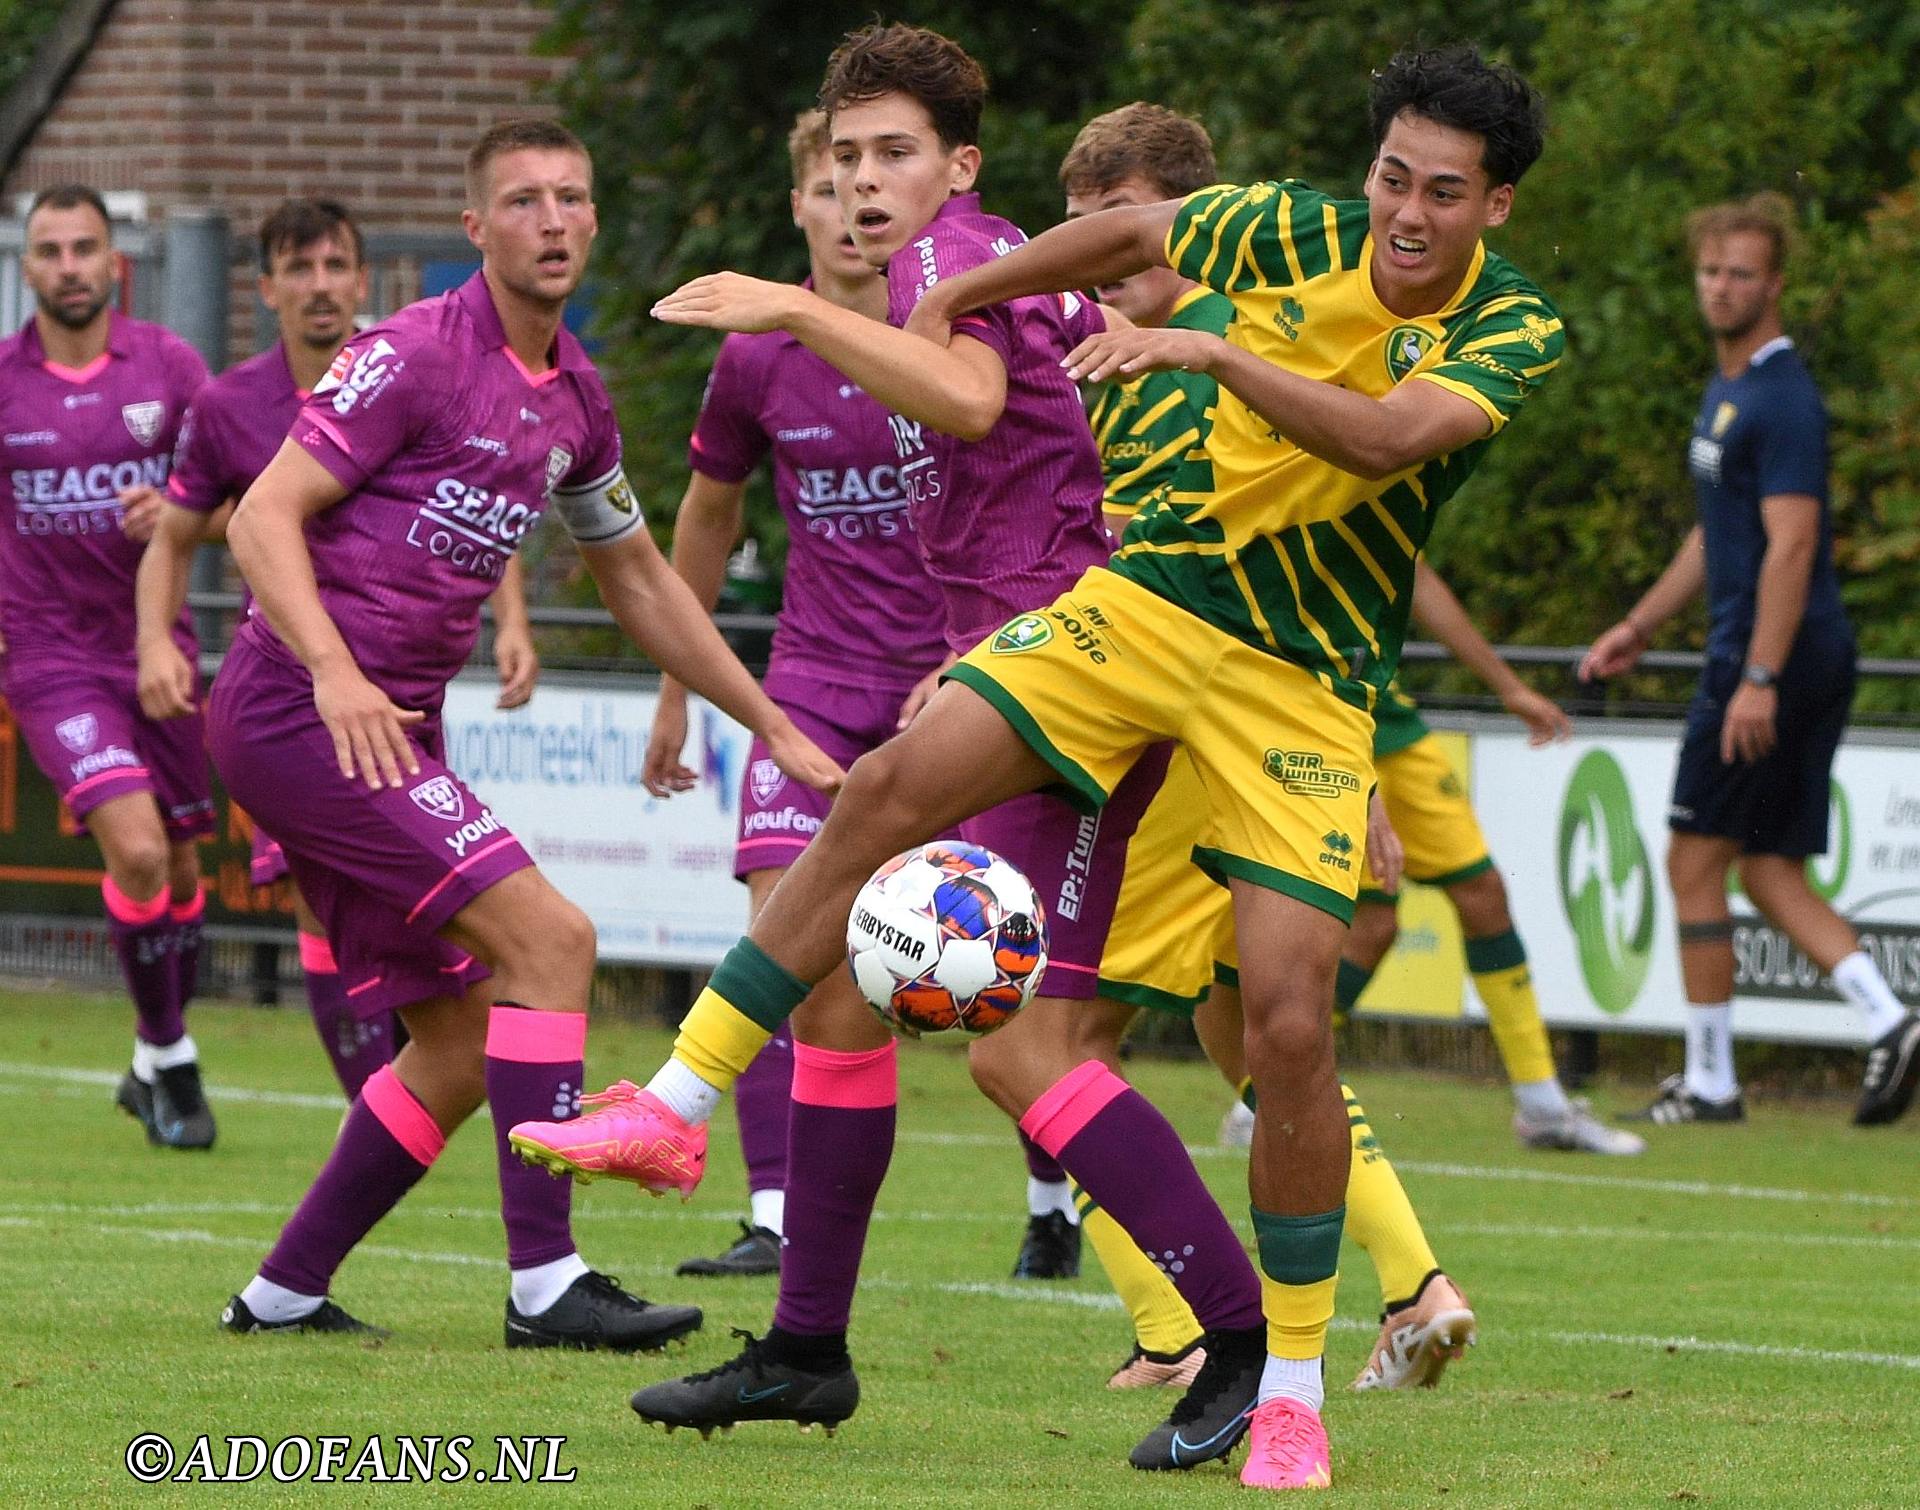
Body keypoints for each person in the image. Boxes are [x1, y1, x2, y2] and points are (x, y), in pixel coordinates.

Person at [521, 38, 1564, 1491]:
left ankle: (1292, 1381)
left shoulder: (1513, 327)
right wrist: (959, 296)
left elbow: (1388, 442)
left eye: (1441, 194)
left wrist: (1206, 347)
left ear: (1492, 208)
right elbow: (1136, 227)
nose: (1403, 213)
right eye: (1391, 175)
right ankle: (680, 1106)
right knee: (888, 800)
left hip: (1305, 689)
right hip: (1149, 610)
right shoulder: (1291, 225)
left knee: (1282, 1027)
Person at [204, 119, 842, 1350]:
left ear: (593, 224)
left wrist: (770, 719)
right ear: (476, 229)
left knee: (457, 1040)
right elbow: (261, 518)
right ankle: (546, 1286)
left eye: (572, 199)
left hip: (386, 729)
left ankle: (279, 1294)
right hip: (303, 712)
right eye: (524, 201)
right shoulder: (409, 356)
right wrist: (333, 671)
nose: (552, 219)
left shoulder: (578, 397)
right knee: (556, 937)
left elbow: (642, 580)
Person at [1057, 103, 1476, 1400]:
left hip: (1180, 763)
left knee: (1050, 1038)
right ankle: (1415, 1284)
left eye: (1119, 249)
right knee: (1261, 1042)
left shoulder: (1238, 363)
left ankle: (1176, 1323)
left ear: (1194, 230)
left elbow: (1292, 593)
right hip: (1235, 749)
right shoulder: (1130, 361)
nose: (1097, 279)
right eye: (1080, 249)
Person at [138, 197, 542, 1102]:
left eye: (336, 268)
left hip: (402, 689)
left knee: (422, 915)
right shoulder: (229, 405)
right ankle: (367, 1104)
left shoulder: (411, 366)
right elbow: (182, 531)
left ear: (362, 280)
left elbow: (483, 501)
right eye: (300, 268)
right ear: (268, 288)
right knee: (318, 900)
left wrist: (512, 620)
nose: (320, 287)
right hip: (294, 693)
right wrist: (155, 640)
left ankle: (405, 1096)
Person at [646, 112, 951, 1279]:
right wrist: (682, 686)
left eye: (874, 179)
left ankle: (1052, 1204)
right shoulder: (757, 356)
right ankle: (775, 1216)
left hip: (944, 697)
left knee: (915, 986)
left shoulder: (954, 335)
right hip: (809, 688)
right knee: (784, 939)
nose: (853, 205)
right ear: (800, 208)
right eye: (831, 186)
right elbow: (708, 516)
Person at [1580, 191, 1918, 1127]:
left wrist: (1758, 678)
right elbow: (1714, 533)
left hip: (1770, 661)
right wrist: (1640, 627)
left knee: (1693, 859)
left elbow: (1793, 546)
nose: (1720, 287)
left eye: (1740, 273)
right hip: (1789, 656)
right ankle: (1890, 1019)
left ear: (1774, 284)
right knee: (1766, 865)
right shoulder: (1729, 390)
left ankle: (1713, 1081)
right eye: (1709, 270)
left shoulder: (1781, 398)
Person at [0, 184, 216, 1149]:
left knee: (177, 863)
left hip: (157, 646)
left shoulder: (170, 368)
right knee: (134, 850)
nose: (70, 265)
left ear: (113, 261)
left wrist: (178, 513)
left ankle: (144, 1058)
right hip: (50, 658)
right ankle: (172, 1062)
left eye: (85, 247)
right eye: (50, 250)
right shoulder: (4, 382)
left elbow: (248, 496)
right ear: (28, 267)